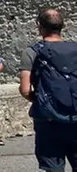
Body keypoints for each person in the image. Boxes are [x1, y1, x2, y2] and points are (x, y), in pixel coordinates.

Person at [19, 9, 77, 171]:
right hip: (75, 116)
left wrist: (41, 100)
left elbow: (25, 89)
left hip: (48, 120)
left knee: (53, 168)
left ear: (39, 26)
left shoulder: (32, 52)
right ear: (63, 26)